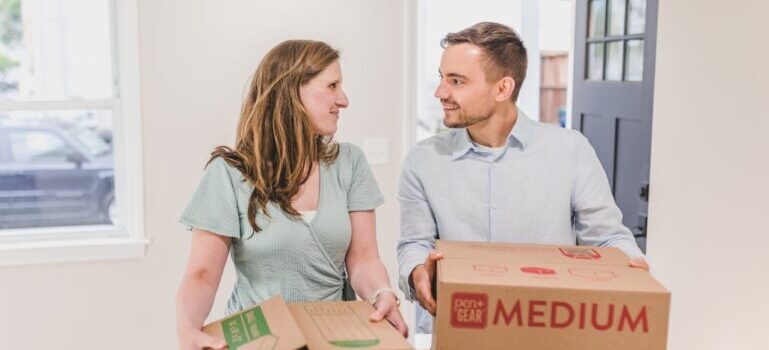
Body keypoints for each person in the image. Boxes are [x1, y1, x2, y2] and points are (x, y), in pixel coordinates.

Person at [396, 22, 649, 336]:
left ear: (503, 88)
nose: (440, 92)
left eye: (456, 81)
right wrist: (417, 273)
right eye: (441, 77)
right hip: (458, 328)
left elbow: (607, 238)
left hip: (549, 331)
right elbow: (414, 244)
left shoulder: (570, 151)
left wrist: (633, 266)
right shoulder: (423, 161)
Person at [176, 40, 407, 350]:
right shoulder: (230, 174)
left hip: (334, 337)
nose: (344, 99)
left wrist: (382, 293)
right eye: (332, 85)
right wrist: (188, 329)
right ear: (291, 91)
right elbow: (202, 275)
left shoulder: (349, 163)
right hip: (261, 341)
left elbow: (364, 259)